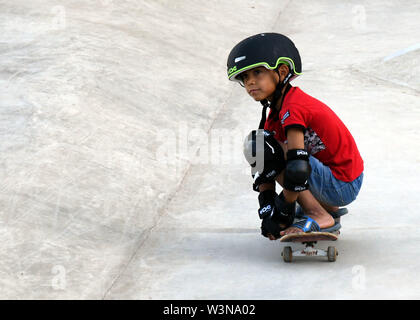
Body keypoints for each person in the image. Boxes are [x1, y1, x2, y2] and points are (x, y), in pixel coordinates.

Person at [227, 33, 364, 240]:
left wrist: (284, 207)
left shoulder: (294, 106)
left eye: (257, 73)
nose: (250, 82)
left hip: (343, 183)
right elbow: (264, 167)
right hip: (332, 181)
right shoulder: (274, 115)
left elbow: (297, 167)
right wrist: (268, 208)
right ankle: (325, 207)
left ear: (281, 72)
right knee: (260, 145)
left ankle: (318, 213)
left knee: (265, 147)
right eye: (245, 77)